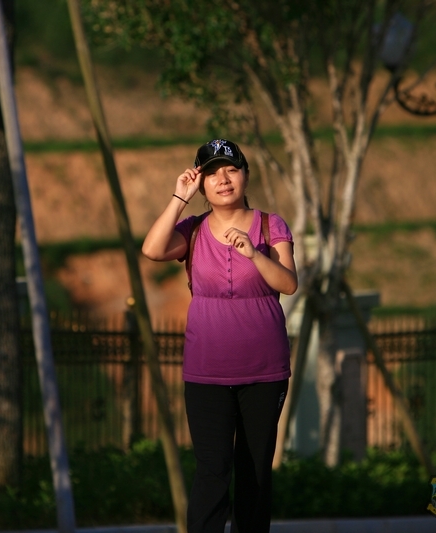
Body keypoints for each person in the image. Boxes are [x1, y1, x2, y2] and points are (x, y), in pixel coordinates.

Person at [142, 139, 298, 532]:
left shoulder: (270, 225)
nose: (223, 179)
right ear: (202, 183)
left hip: (264, 372)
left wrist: (254, 254)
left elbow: (289, 283)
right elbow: (152, 249)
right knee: (212, 470)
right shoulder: (193, 231)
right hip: (206, 373)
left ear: (245, 174)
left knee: (254, 471)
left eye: (231, 169)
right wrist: (180, 198)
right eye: (212, 173)